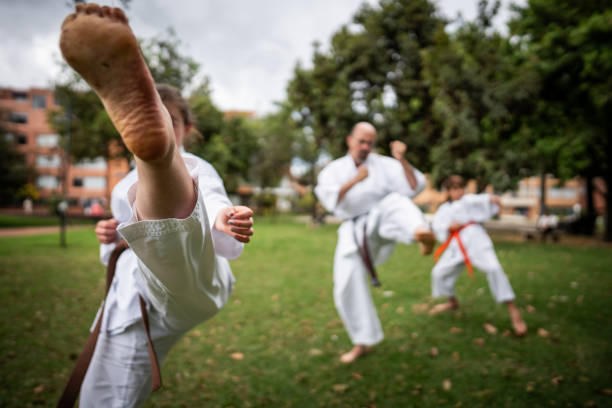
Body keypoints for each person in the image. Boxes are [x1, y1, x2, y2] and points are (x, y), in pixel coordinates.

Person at [58, 4, 254, 407]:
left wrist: (222, 217)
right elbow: (116, 244)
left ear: (187, 130)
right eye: (160, 120)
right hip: (131, 294)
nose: (169, 126)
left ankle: (157, 157)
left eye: (171, 122)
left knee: (106, 398)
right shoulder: (122, 187)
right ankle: (156, 158)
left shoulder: (200, 167)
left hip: (189, 273)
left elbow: (214, 196)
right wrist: (110, 236)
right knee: (96, 390)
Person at [314, 122, 435, 363]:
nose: (366, 147)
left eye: (370, 142)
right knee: (345, 285)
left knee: (394, 202)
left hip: (382, 219)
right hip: (352, 226)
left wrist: (402, 160)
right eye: (362, 141)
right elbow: (330, 201)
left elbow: (414, 186)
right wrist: (354, 181)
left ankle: (420, 232)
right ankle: (363, 341)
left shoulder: (384, 165)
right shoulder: (335, 169)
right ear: (350, 140)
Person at [428, 175, 527, 336]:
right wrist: (448, 227)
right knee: (438, 273)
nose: (459, 191)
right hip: (456, 245)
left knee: (494, 269)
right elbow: (439, 227)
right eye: (455, 188)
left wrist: (492, 199)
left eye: (461, 187)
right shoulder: (444, 209)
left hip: (476, 240)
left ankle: (513, 312)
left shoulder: (469, 200)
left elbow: (484, 200)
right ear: (447, 191)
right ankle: (451, 302)